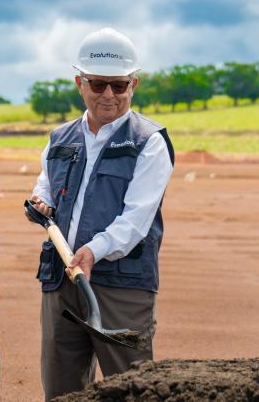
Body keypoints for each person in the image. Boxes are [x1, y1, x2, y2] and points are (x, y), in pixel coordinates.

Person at [27, 28, 174, 400]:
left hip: (121, 284)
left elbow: (136, 220)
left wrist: (94, 250)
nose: (109, 95)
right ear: (80, 83)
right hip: (61, 280)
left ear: (133, 85)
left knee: (132, 388)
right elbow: (46, 185)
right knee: (62, 389)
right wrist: (40, 202)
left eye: (119, 86)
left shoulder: (149, 142)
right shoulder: (60, 138)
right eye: (98, 84)